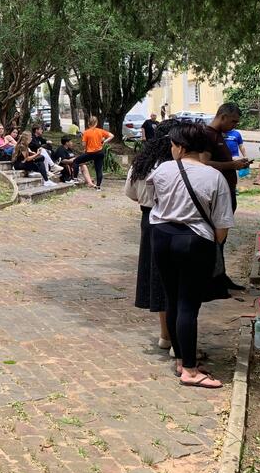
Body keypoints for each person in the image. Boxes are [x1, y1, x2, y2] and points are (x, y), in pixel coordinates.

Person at [148, 122, 234, 388]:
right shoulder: (213, 177)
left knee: (173, 299)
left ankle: (181, 360)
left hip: (161, 236)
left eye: (172, 145)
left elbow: (150, 199)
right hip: (194, 241)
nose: (171, 149)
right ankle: (190, 370)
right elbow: (222, 225)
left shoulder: (162, 169)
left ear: (181, 147)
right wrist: (212, 248)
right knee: (188, 304)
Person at [124, 120, 179, 352]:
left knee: (158, 279)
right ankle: (178, 340)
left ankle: (165, 335)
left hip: (148, 221)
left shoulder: (142, 163)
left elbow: (131, 193)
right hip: (174, 222)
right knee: (176, 280)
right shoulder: (176, 166)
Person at [201, 103, 251, 293]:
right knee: (216, 237)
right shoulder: (207, 134)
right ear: (222, 116)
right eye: (233, 121)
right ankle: (213, 279)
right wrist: (232, 166)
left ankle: (220, 275)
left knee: (222, 238)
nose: (234, 126)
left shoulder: (219, 135)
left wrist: (234, 164)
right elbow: (204, 163)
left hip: (227, 191)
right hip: (217, 194)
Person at [73, 116, 113, 189]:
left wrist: (86, 144)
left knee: (76, 161)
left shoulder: (86, 132)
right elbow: (111, 136)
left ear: (88, 123)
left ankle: (75, 179)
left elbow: (83, 144)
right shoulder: (100, 131)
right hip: (100, 152)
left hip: (90, 153)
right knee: (99, 169)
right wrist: (104, 141)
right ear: (96, 123)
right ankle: (98, 186)